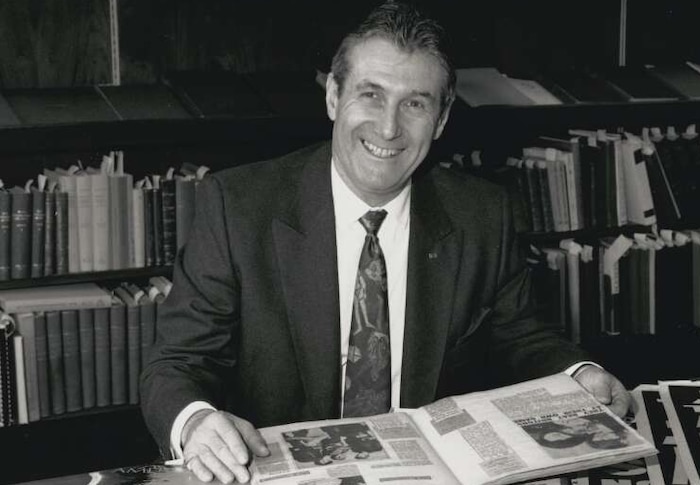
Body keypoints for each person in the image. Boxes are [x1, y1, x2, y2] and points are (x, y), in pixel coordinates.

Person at [139, 2, 631, 483]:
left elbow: (522, 336)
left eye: (415, 103)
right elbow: (177, 363)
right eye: (370, 94)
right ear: (333, 96)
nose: (390, 127)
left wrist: (578, 373)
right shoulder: (239, 207)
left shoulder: (482, 214)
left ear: (440, 121)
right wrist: (196, 421)